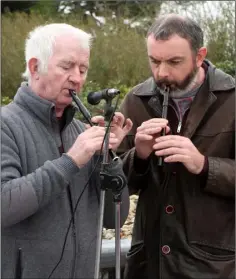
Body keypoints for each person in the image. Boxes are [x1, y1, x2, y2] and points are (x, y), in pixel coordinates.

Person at [1, 23, 133, 279]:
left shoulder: (79, 131)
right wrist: (71, 160)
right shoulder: (5, 125)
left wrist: (107, 157)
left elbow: (114, 218)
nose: (77, 77)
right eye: (67, 66)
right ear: (34, 67)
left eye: (83, 69)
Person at [119, 14, 235, 279]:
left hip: (214, 266)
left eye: (174, 62)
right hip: (148, 263)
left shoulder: (232, 98)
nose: (162, 73)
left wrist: (204, 165)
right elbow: (116, 185)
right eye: (154, 61)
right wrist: (139, 156)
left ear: (199, 55)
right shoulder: (137, 99)